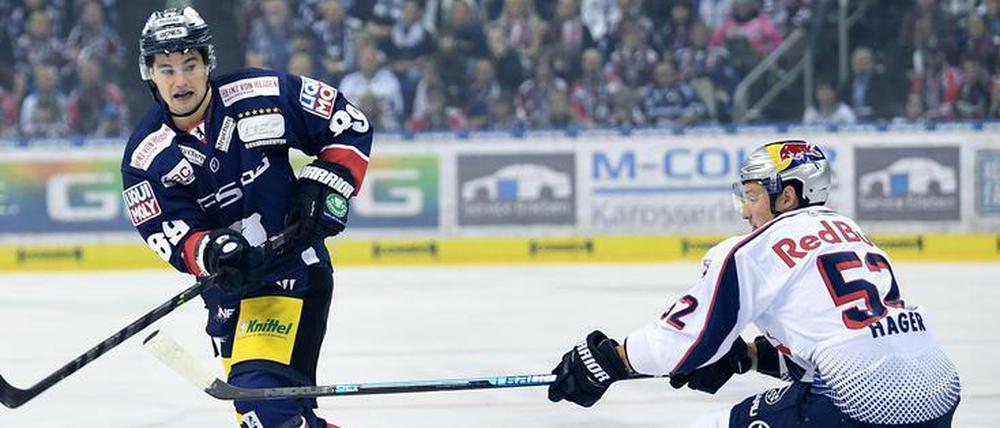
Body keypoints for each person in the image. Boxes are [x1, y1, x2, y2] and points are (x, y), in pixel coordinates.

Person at [548, 140, 961, 427]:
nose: (745, 211)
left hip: (856, 403)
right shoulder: (850, 231)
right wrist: (745, 355)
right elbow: (846, 340)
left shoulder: (752, 250)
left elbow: (687, 341)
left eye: (753, 195)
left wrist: (610, 361)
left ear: (788, 197)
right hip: (939, 390)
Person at [120, 7, 372, 428]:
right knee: (277, 415)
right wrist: (214, 252)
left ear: (207, 64)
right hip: (230, 297)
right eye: (166, 69)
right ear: (149, 73)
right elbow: (169, 233)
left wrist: (322, 186)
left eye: (190, 65)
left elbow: (349, 123)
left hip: (293, 272)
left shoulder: (262, 93)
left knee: (262, 408)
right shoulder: (146, 156)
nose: (180, 80)